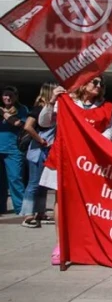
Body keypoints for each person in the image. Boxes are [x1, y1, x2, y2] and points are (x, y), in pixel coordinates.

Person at [39, 75, 112, 265]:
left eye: (101, 84)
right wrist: (51, 101)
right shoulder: (66, 102)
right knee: (61, 198)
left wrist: (99, 142)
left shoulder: (104, 108)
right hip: (63, 158)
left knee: (92, 202)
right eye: (94, 82)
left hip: (90, 163)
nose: (98, 86)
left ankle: (87, 242)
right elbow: (44, 122)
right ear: (83, 84)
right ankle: (61, 243)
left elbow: (110, 129)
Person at [21, 83, 57, 228]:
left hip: (48, 151)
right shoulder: (38, 109)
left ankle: (40, 213)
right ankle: (28, 214)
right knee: (34, 183)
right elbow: (27, 126)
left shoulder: (53, 111)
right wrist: (40, 140)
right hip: (38, 151)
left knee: (43, 185)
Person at [0, 86, 28, 215]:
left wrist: (4, 114)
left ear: (16, 97)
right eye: (5, 95)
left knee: (15, 178)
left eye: (10, 95)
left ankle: (20, 208)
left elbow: (18, 123)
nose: (7, 98)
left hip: (13, 149)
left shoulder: (21, 109)